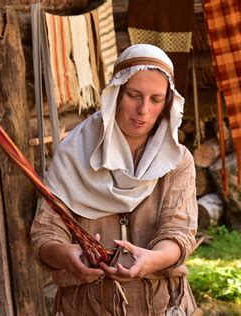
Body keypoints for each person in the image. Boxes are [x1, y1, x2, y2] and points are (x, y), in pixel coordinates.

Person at [31, 44, 201, 315]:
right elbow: (45, 234)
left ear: (167, 103)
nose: (143, 110)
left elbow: (178, 232)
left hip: (161, 305)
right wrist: (66, 255)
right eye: (134, 95)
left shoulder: (177, 161)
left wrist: (151, 260)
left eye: (156, 99)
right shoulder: (75, 152)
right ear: (116, 93)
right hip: (87, 306)